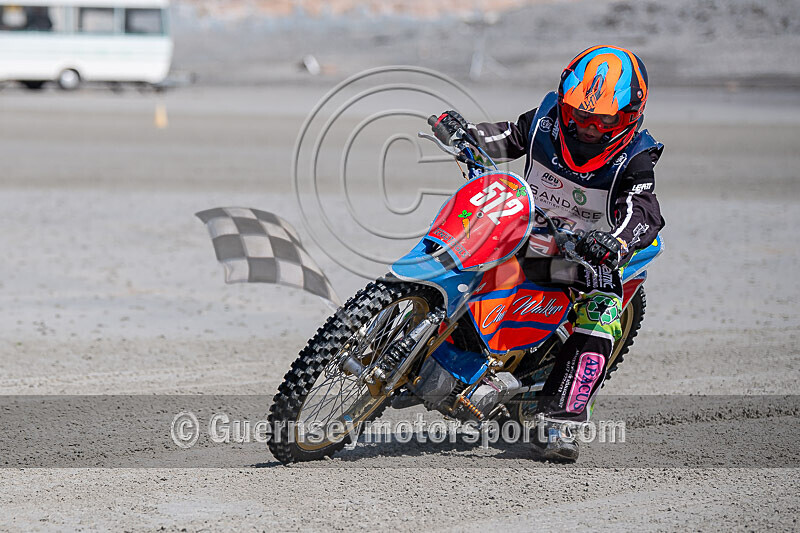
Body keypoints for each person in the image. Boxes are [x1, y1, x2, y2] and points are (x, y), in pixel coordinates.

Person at [431, 45, 665, 461]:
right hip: (528, 227)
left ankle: (562, 421)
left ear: (628, 116)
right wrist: (467, 134)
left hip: (586, 254)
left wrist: (616, 243)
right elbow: (507, 137)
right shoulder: (546, 121)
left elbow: (645, 211)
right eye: (579, 112)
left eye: (604, 119)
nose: (589, 126)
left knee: (601, 307)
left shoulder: (635, 158)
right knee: (465, 242)